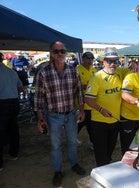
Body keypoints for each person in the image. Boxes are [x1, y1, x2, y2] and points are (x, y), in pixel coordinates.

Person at [34, 41, 86, 187]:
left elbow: (79, 93)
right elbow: (38, 97)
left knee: (72, 141)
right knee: (55, 145)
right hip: (53, 115)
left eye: (62, 51)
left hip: (71, 114)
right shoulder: (44, 72)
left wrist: (81, 111)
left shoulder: (73, 70)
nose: (59, 54)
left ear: (66, 52)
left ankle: (74, 164)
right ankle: (58, 171)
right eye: (56, 51)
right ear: (51, 52)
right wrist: (40, 119)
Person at [84, 47, 122, 167]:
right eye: (109, 61)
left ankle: (107, 167)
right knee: (101, 153)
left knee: (110, 149)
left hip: (115, 120)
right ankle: (102, 174)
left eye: (116, 61)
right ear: (103, 62)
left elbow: (133, 70)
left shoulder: (120, 74)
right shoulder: (96, 77)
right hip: (99, 122)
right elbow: (88, 99)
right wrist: (101, 109)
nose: (113, 64)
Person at [0, 52, 24, 171]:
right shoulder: (12, 72)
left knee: (1, 131)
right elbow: (21, 88)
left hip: (2, 103)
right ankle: (14, 153)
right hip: (13, 102)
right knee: (13, 128)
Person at [76, 52, 97, 147]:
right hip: (82, 103)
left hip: (93, 103)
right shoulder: (77, 70)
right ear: (83, 59)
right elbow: (75, 86)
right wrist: (88, 85)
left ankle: (72, 137)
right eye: (88, 59)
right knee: (88, 125)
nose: (90, 61)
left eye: (91, 59)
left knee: (84, 123)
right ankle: (93, 143)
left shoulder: (94, 70)